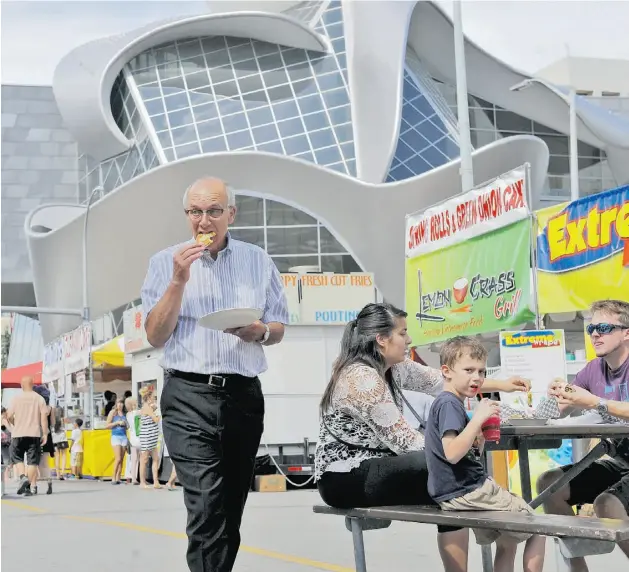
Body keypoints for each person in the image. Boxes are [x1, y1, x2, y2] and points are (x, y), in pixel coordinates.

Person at [141, 176, 289, 572]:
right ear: (186, 215)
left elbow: (278, 327)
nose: (204, 221)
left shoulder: (257, 260)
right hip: (188, 395)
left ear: (231, 215)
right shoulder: (165, 262)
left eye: (213, 211)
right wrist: (177, 281)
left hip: (243, 395)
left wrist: (260, 332)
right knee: (206, 502)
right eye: (195, 212)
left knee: (230, 504)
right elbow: (155, 335)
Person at [315, 303, 531, 571]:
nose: (409, 340)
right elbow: (405, 442)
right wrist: (461, 440)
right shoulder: (362, 378)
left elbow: (446, 379)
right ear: (382, 339)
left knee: (446, 476)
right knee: (442, 469)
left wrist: (503, 385)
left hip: (377, 465)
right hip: (345, 478)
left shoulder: (393, 367)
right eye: (403, 333)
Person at [425, 336, 545, 572]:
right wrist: (478, 418)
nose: (477, 378)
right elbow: (451, 453)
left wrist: (479, 435)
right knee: (539, 527)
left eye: (481, 371)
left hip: (452, 492)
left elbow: (464, 451)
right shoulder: (449, 403)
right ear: (446, 372)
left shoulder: (449, 402)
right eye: (469, 370)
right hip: (467, 490)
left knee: (508, 540)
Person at [540, 299, 629, 570]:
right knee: (550, 483)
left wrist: (594, 402)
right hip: (617, 460)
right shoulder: (593, 368)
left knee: (607, 503)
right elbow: (562, 409)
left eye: (603, 327)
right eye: (591, 329)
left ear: (626, 332)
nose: (595, 334)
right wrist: (556, 393)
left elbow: (590, 402)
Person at [4, 376, 48, 496]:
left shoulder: (16, 398)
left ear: (21, 385)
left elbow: (8, 415)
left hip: (18, 433)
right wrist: (45, 433)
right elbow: (44, 418)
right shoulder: (39, 399)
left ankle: (23, 477)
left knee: (17, 457)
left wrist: (14, 422)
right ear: (33, 384)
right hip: (34, 434)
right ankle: (28, 486)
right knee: (32, 462)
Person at [33, 385, 55, 495]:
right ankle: (49, 481)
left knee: (33, 462)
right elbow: (53, 423)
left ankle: (34, 485)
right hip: (47, 435)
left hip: (36, 435)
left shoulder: (35, 408)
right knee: (45, 463)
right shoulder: (50, 408)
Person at [138, 387, 161, 490]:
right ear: (148, 398)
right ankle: (142, 482)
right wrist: (160, 413)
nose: (154, 399)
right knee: (144, 459)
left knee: (156, 458)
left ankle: (156, 482)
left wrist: (155, 409)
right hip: (147, 436)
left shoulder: (150, 407)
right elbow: (155, 419)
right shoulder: (147, 407)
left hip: (152, 436)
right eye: (153, 397)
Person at [106, 398, 128, 485]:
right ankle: (113, 477)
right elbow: (107, 425)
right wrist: (117, 423)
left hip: (123, 436)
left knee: (122, 459)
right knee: (118, 458)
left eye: (121, 403)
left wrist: (125, 424)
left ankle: (119, 478)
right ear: (116, 404)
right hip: (115, 436)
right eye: (118, 403)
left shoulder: (125, 414)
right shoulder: (113, 412)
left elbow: (127, 427)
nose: (120, 405)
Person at [124, 396, 141, 485]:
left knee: (133, 459)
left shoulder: (128, 414)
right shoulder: (138, 412)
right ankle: (141, 478)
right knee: (141, 458)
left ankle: (133, 478)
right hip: (140, 437)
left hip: (132, 437)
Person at [51, 407, 69, 480]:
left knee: (57, 457)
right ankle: (62, 473)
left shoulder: (52, 420)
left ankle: (58, 474)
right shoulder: (63, 419)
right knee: (64, 455)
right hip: (62, 438)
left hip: (54, 438)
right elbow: (69, 423)